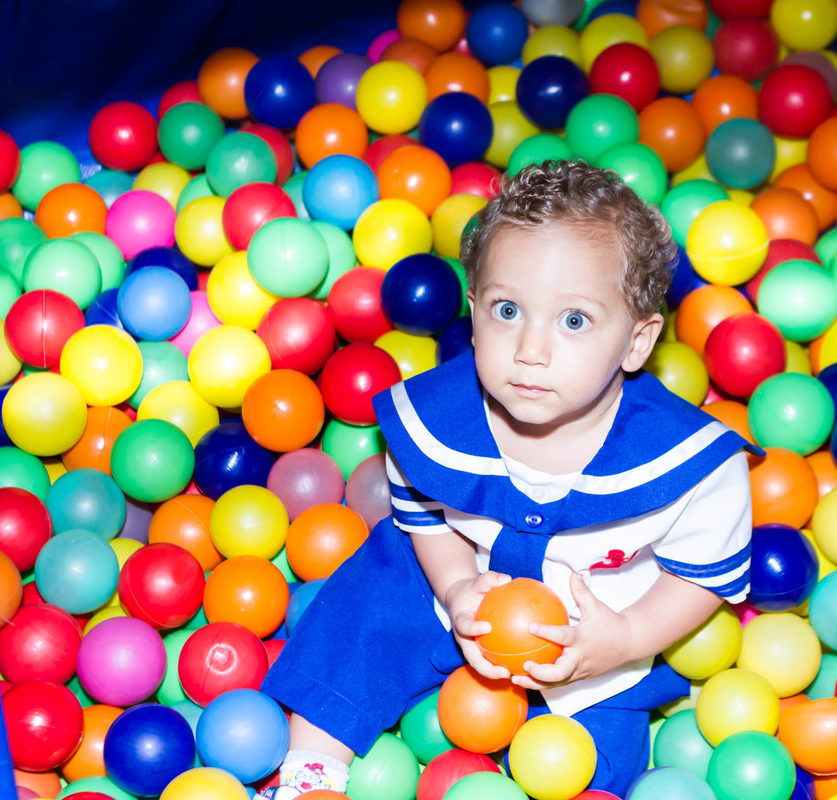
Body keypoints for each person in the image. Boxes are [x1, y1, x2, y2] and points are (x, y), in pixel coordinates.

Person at [260, 160, 758, 797]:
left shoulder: (685, 462)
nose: (530, 348)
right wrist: (457, 584)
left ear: (637, 343)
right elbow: (422, 516)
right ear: (472, 311)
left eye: (573, 320)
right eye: (506, 309)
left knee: (594, 763)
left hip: (594, 627)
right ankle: (310, 770)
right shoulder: (437, 420)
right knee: (365, 606)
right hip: (457, 577)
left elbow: (699, 576)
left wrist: (625, 637)